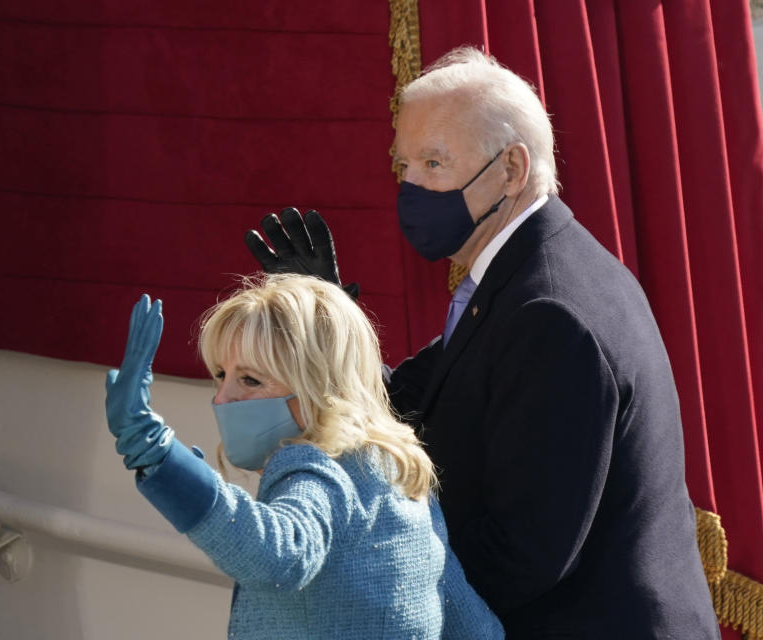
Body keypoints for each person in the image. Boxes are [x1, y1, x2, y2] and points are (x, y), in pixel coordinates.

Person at [244, 48, 719, 638]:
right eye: (404, 165)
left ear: (512, 169)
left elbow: (523, 554)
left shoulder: (549, 310)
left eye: (434, 164)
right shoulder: (524, 271)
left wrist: (380, 583)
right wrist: (329, 317)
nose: (411, 187)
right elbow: (411, 401)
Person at [105, 274, 504, 639]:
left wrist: (158, 454)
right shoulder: (401, 472)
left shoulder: (313, 470)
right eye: (220, 375)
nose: (222, 398)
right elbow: (468, 622)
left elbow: (277, 554)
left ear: (317, 385)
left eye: (250, 379)